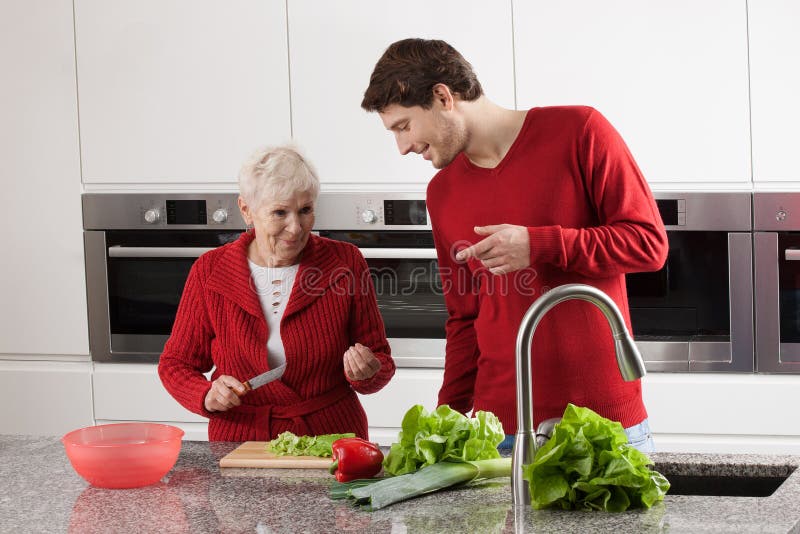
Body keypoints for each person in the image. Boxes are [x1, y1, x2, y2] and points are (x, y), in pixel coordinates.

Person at [361, 38, 667, 452]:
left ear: (442, 96)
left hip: (604, 425)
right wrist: (446, 420)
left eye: (403, 126)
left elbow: (648, 244)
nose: (403, 146)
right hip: (501, 430)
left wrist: (538, 244)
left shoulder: (580, 131)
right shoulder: (443, 193)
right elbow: (464, 320)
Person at [158, 145, 395, 441]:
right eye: (280, 212)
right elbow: (176, 364)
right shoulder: (209, 270)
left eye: (305, 210)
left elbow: (380, 360)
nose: (295, 228)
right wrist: (206, 394)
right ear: (247, 210)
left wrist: (367, 373)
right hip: (241, 438)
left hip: (332, 436)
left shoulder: (346, 262)